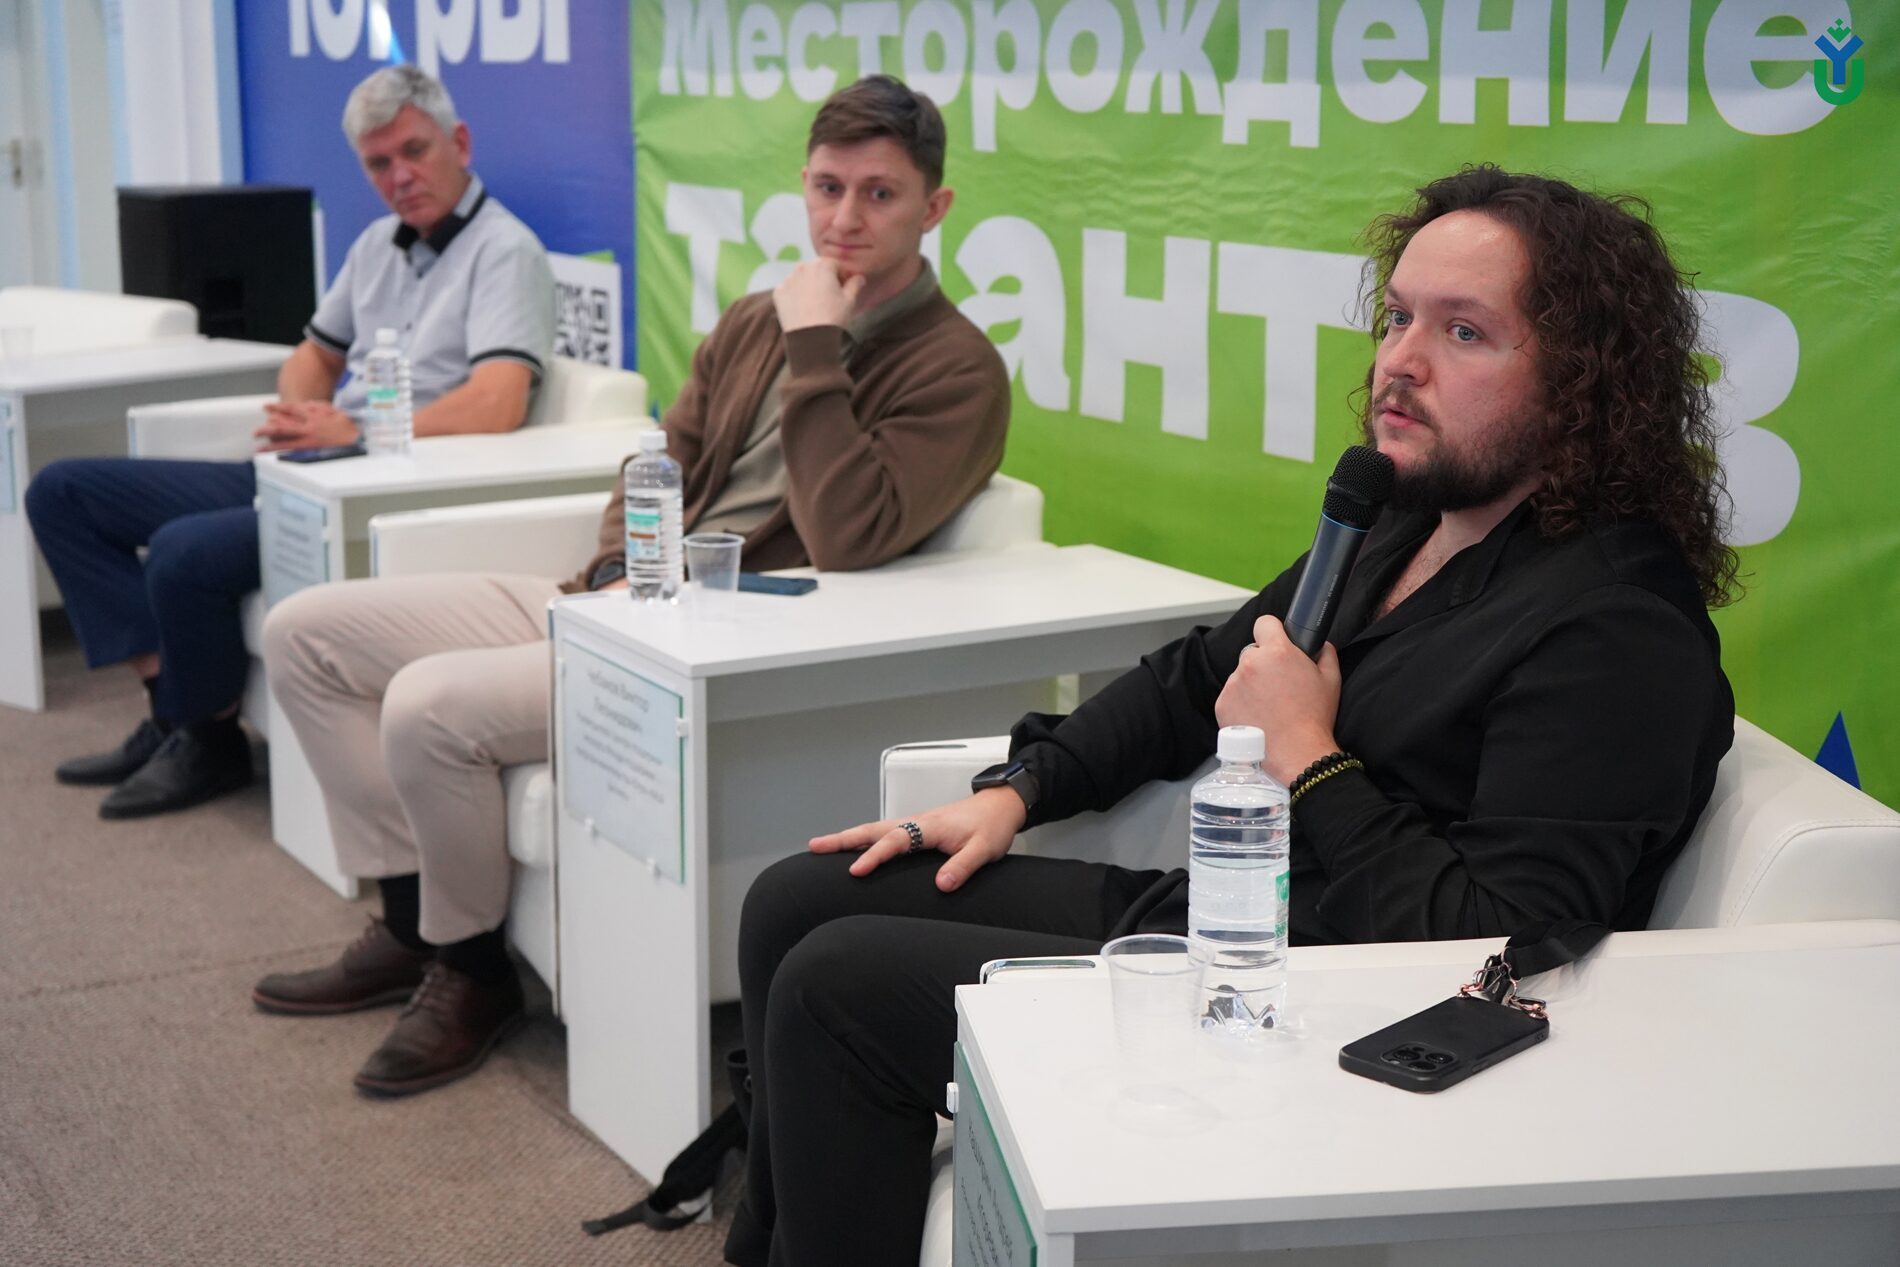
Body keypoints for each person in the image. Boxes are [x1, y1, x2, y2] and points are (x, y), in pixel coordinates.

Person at [724, 166, 1740, 1266]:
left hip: (1337, 1010)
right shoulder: (1403, 516)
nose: (1399, 361)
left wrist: (1310, 755)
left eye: (1462, 332)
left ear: (1583, 382)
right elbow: (1198, 677)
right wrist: (1021, 789)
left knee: (841, 989)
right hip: (1232, 926)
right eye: (1397, 317)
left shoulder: (1616, 625)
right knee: (796, 898)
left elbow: (1502, 940)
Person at [251, 74, 1010, 1098]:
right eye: (828, 188)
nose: (845, 218)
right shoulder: (753, 318)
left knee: (428, 705)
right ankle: (410, 925)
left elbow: (849, 535)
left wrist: (815, 345)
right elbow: (659, 465)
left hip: (721, 643)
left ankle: (471, 971)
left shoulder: (958, 368)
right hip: (624, 597)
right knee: (306, 633)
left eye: (880, 194)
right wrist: (616, 571)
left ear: (934, 207)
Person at [25, 65, 555, 820]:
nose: (400, 177)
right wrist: (303, 413)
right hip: (305, 467)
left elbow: (498, 400)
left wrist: (358, 430)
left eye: (414, 151)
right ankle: (173, 712)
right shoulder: (376, 245)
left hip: (377, 490)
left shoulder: (506, 250)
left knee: (182, 551)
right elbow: (314, 353)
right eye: (379, 163)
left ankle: (209, 741)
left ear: (459, 143)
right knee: (62, 492)